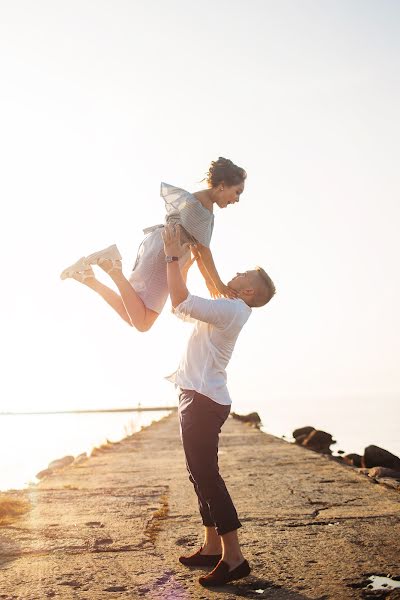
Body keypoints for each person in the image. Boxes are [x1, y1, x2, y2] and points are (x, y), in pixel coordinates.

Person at [161, 223, 276, 587]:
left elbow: (180, 301)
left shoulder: (232, 311)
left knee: (208, 476)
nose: (237, 271)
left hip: (202, 401)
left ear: (247, 290)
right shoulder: (231, 305)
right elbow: (203, 284)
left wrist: (171, 254)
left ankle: (234, 557)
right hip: (197, 395)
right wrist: (194, 249)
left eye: (243, 273)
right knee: (198, 474)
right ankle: (212, 546)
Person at [60, 157, 246, 332]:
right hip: (165, 252)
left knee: (132, 314)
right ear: (222, 186)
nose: (237, 199)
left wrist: (209, 281)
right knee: (143, 322)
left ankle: (87, 277)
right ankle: (112, 266)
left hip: (160, 247)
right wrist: (218, 285)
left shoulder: (200, 202)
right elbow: (203, 251)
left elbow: (199, 251)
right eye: (237, 192)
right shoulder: (203, 207)